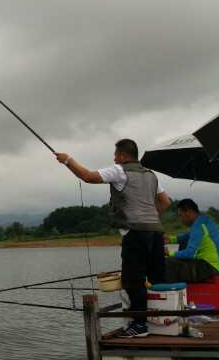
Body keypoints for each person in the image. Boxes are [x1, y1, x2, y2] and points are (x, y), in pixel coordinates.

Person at [55, 139, 171, 338]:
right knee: (158, 278)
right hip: (156, 232)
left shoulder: (120, 171)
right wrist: (151, 218)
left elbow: (88, 177)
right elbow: (165, 202)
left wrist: (68, 161)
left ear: (124, 156)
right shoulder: (151, 175)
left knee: (133, 281)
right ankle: (166, 321)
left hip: (135, 233)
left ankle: (140, 325)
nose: (114, 159)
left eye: (116, 155)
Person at [165, 199, 219, 283]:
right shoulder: (206, 221)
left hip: (210, 267)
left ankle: (171, 291)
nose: (180, 219)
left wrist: (169, 253)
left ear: (188, 212)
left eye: (180, 215)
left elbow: (189, 254)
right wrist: (170, 240)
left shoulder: (197, 227)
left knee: (168, 263)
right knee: (182, 247)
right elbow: (186, 236)